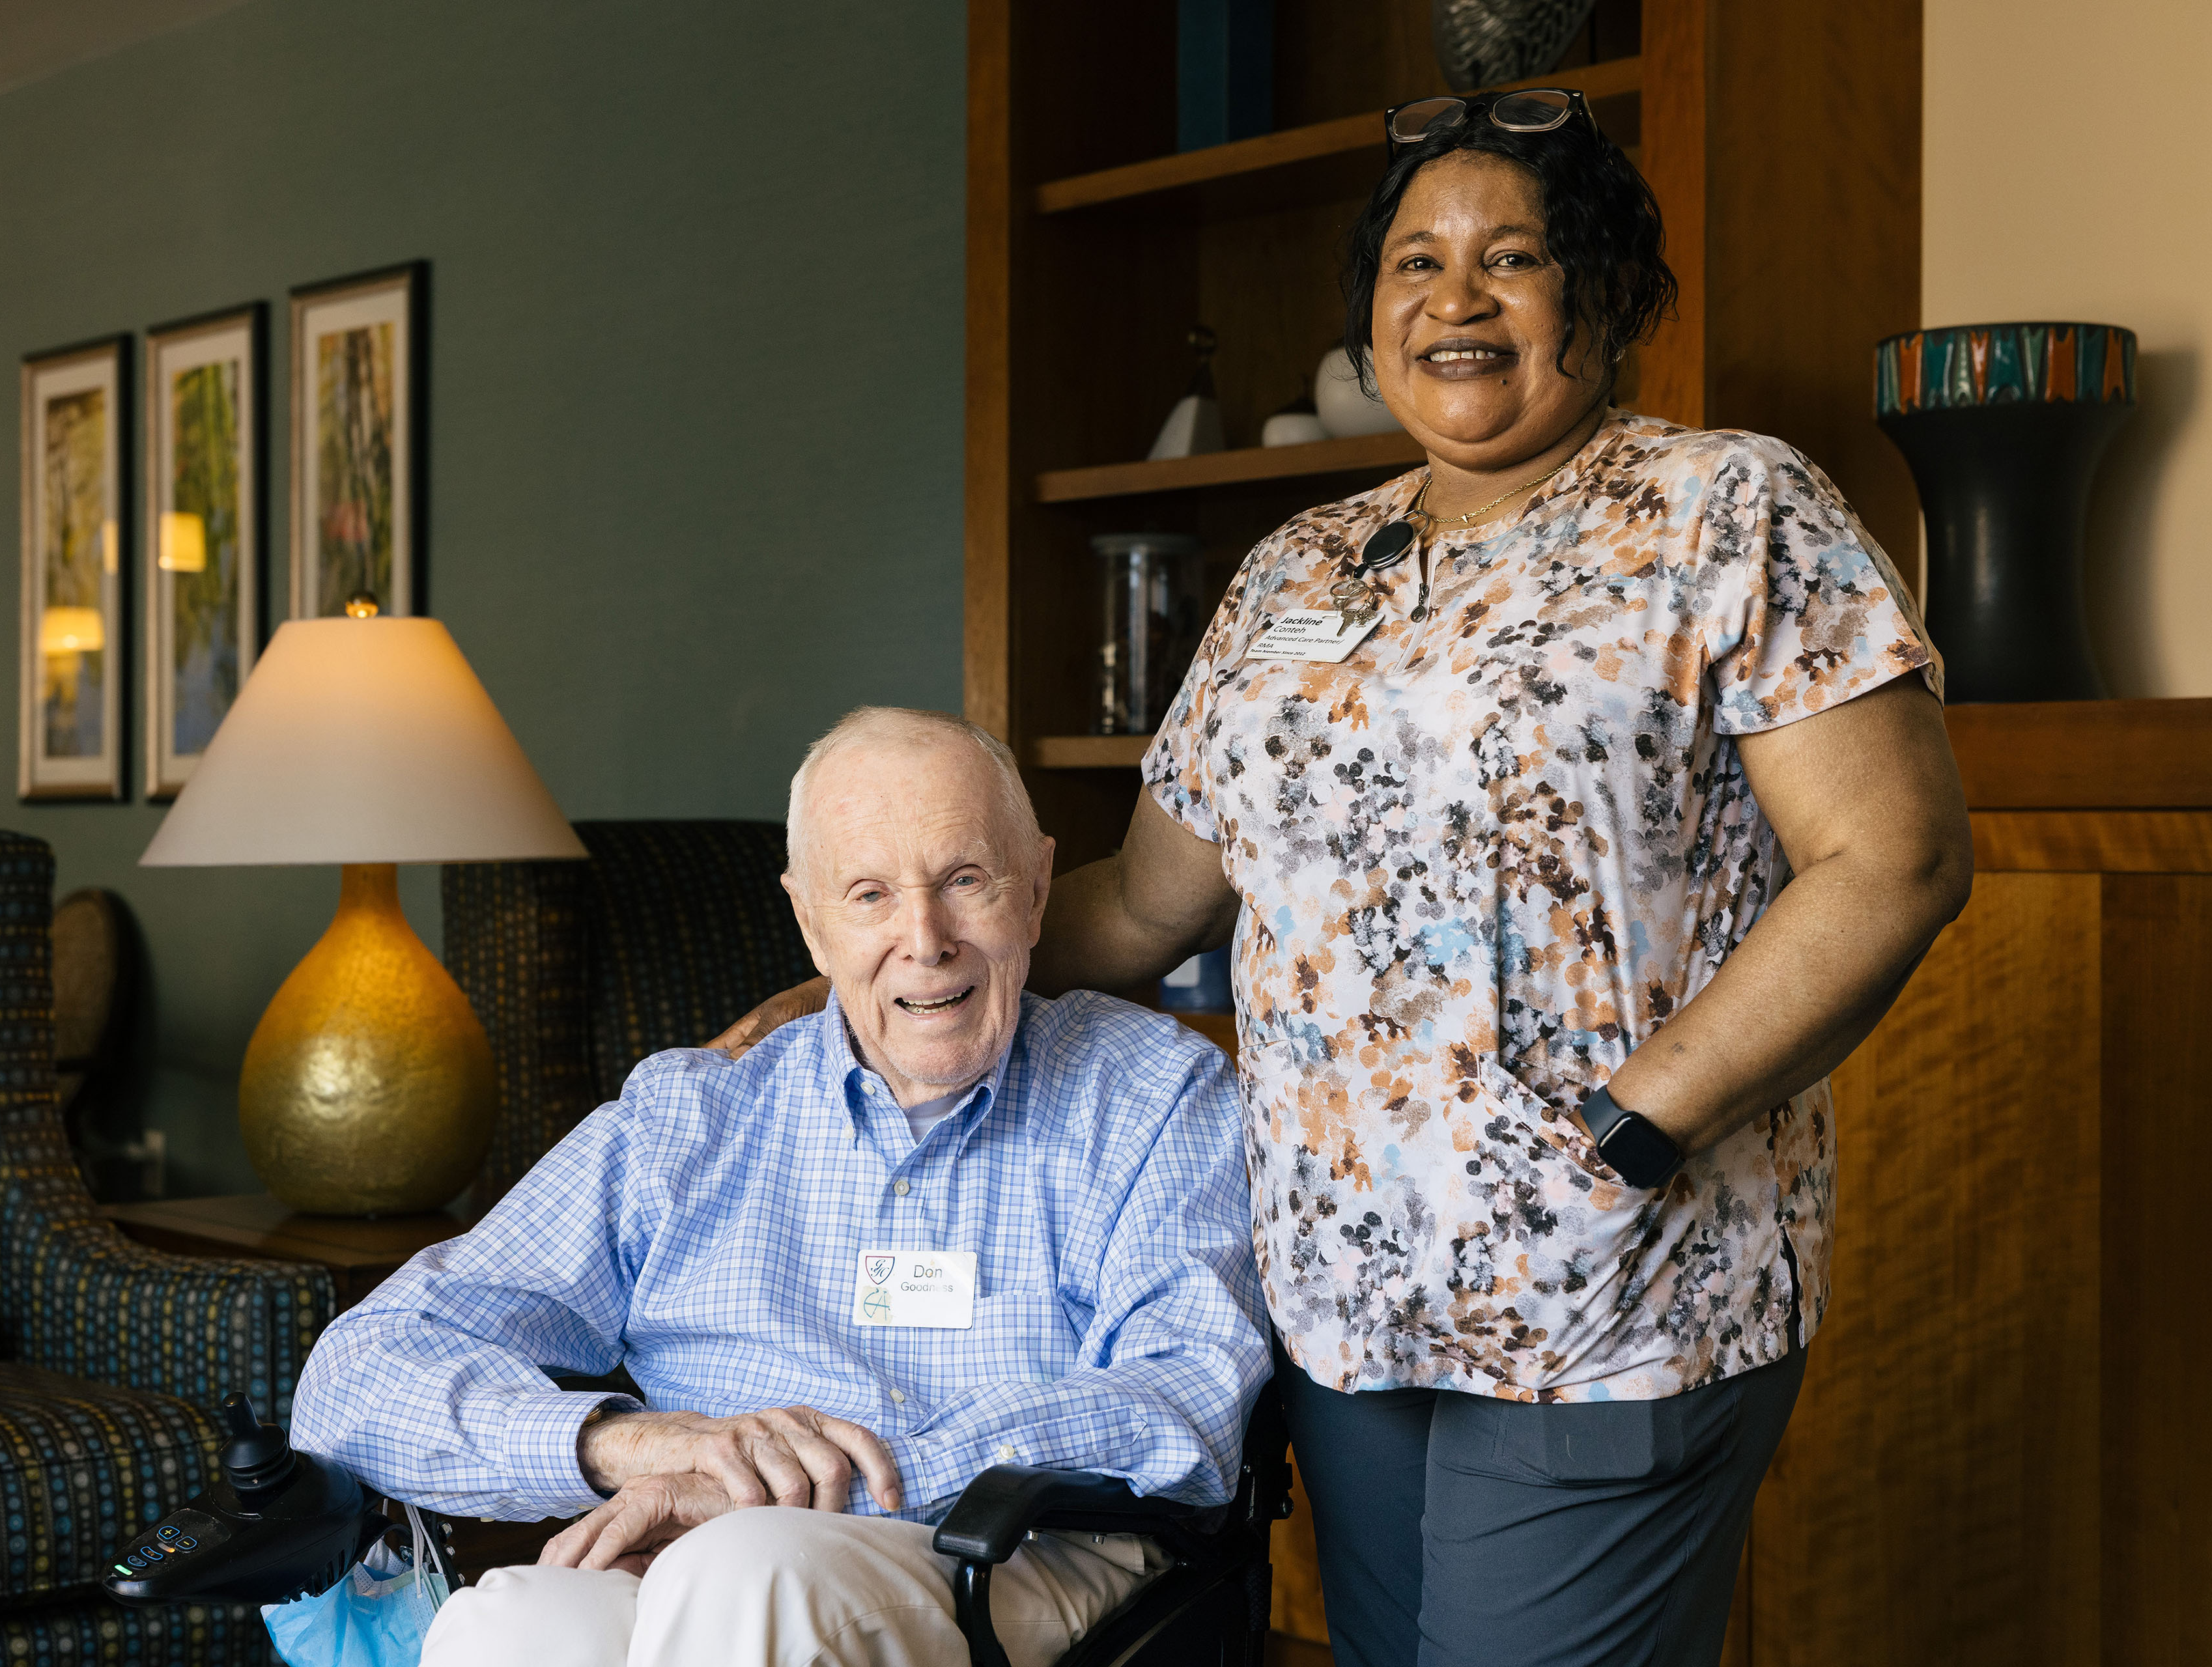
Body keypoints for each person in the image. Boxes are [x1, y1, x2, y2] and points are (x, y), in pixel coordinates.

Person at [711, 92, 1976, 1667]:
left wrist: (1634, 1127)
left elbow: (1895, 858)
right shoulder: (1297, 570)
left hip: (1612, 1291)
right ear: (1371, 315)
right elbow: (1143, 904)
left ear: (1603, 294)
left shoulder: (1729, 510)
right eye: (1414, 261)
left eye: (1512, 257)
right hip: (1343, 1304)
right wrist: (875, 987)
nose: (1455, 297)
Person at [289, 707, 1270, 1667]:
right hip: (694, 1553)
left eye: (965, 879)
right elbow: (356, 1376)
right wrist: (628, 1449)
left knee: (748, 1570)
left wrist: (834, 1485)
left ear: (1040, 884)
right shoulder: (691, 1116)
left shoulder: (1155, 1093)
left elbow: (1185, 1395)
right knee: (511, 1623)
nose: (925, 938)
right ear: (809, 921)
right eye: (870, 895)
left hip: (1028, 1549)